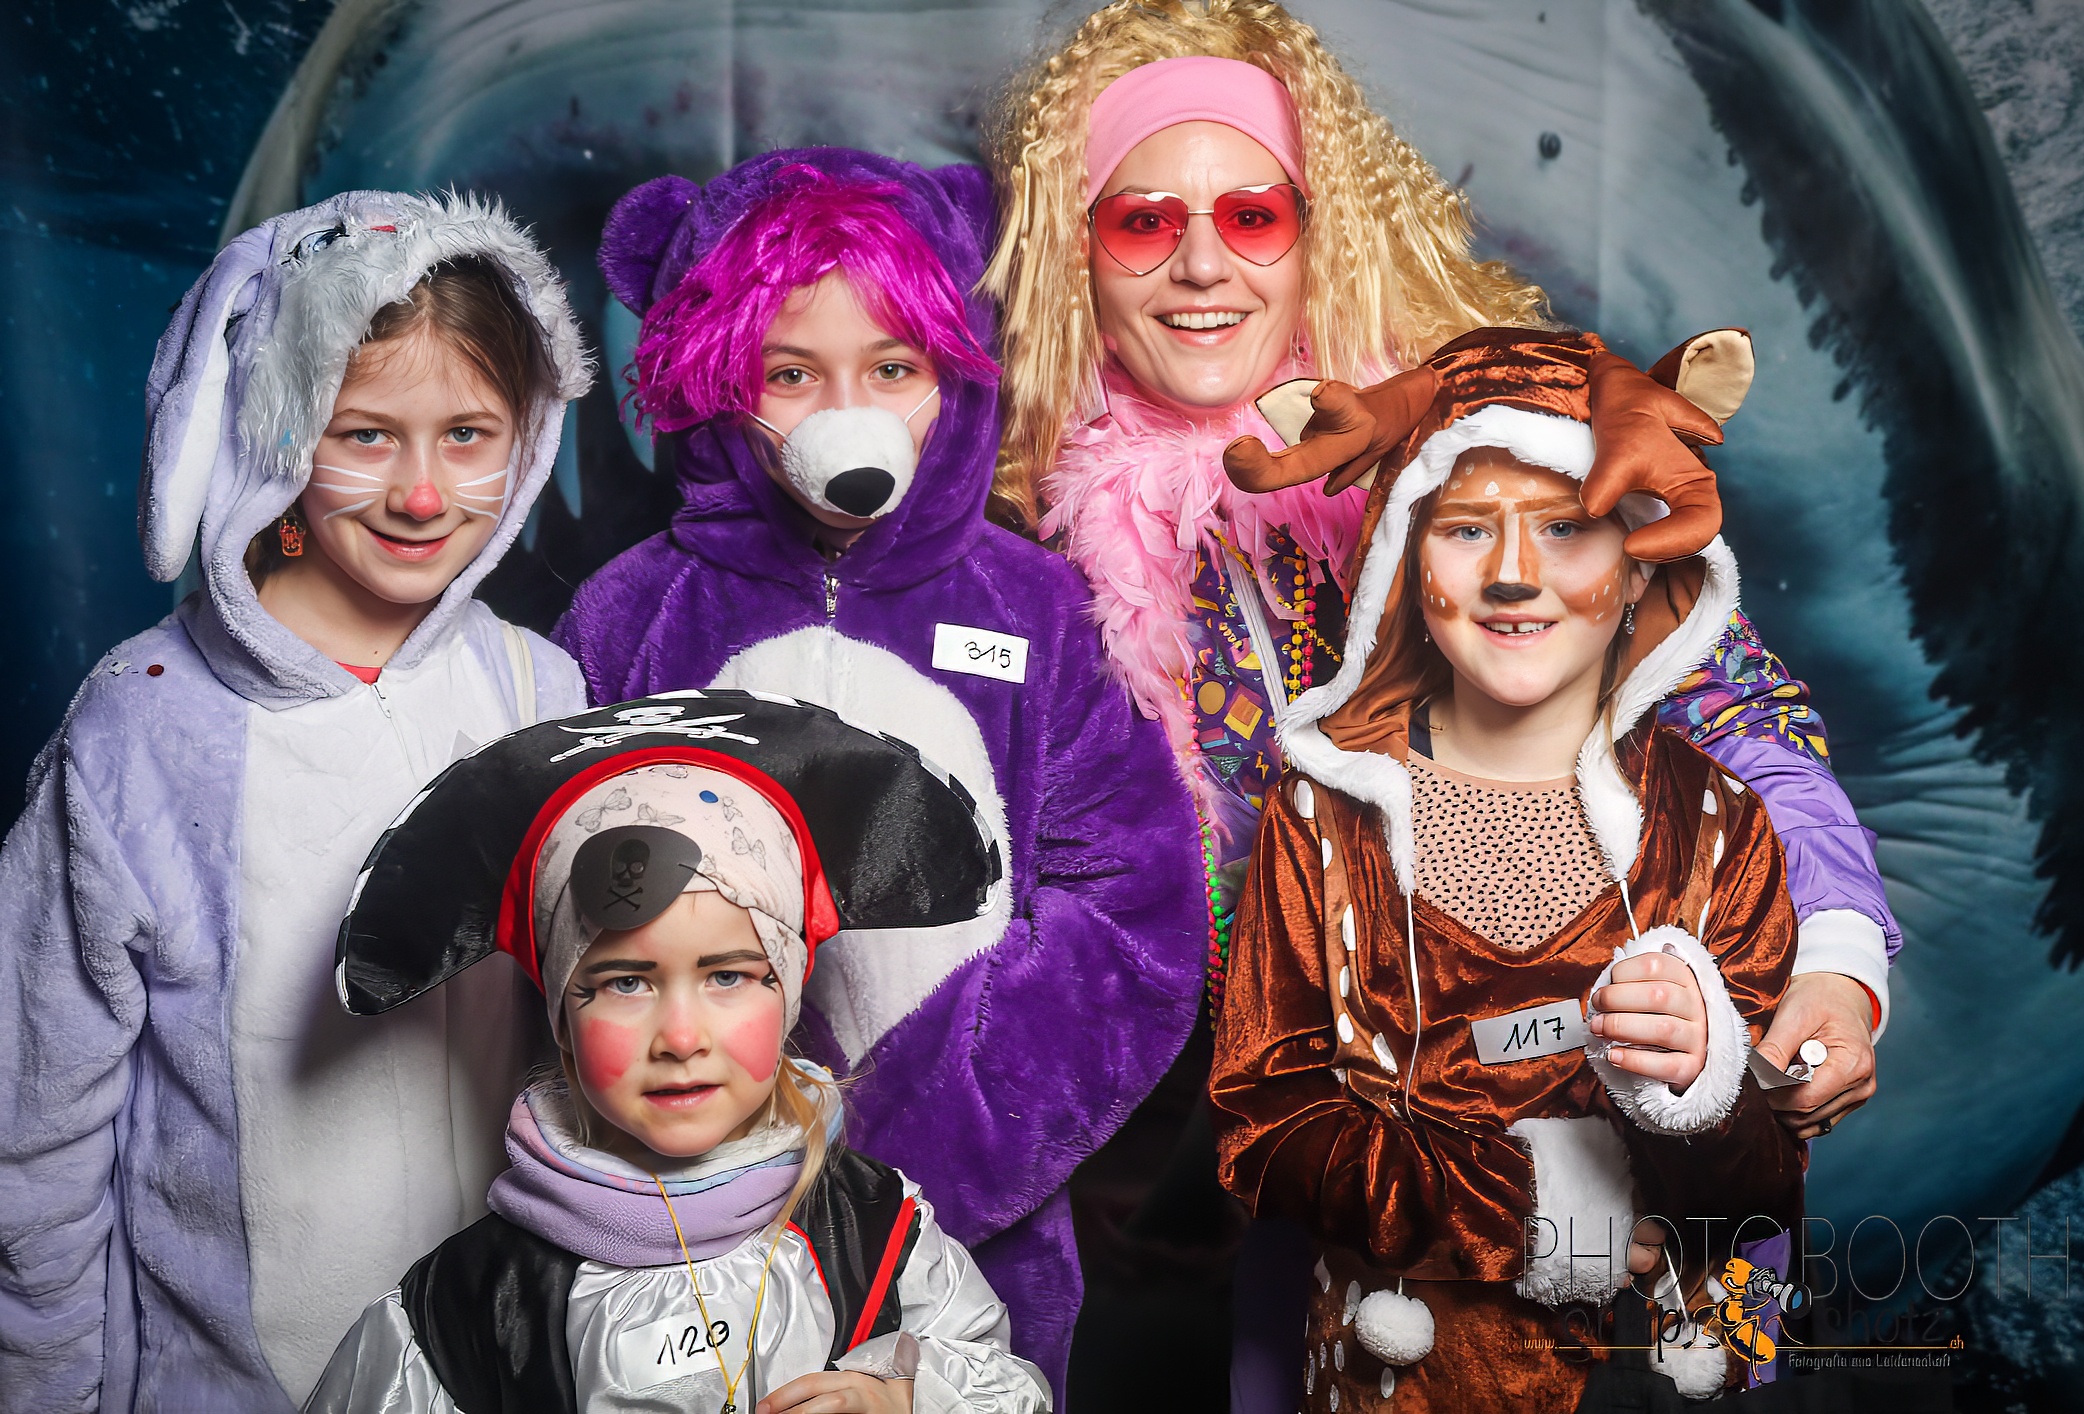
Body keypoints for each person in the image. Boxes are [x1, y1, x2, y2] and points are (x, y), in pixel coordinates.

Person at [979, 3, 1892, 1403]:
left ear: (1316, 228)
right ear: (1074, 249)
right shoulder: (1009, 538)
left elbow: (1736, 708)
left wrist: (1834, 954)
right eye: (1144, 222)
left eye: (1252, 215)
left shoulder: (1477, 452)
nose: (1204, 264)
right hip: (1348, 1213)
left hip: (1640, 1131)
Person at [556, 150, 1203, 1400]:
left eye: (894, 368)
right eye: (790, 373)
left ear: (956, 368)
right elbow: (566, 928)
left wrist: (922, 1137)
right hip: (681, 1235)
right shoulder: (628, 616)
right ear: (711, 378)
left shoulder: (1037, 609)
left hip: (976, 1241)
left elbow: (1134, 911)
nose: (847, 417)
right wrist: (726, 1151)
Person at [0, 192, 591, 1409]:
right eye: (363, 434)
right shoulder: (141, 731)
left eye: (468, 434)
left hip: (504, 1369)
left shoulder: (541, 690)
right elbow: (37, 1125)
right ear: (272, 430)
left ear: (527, 434)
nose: (422, 495)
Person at [1210, 328, 1806, 1412]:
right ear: (1406, 563)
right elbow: (1265, 1125)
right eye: (1466, 528)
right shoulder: (1326, 816)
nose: (1514, 573)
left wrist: (1702, 1086)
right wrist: (1518, 1206)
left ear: (1641, 561)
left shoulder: (1715, 827)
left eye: (1566, 526)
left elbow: (1767, 1187)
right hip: (1395, 1377)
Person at [308, 692, 1051, 1414]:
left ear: (788, 993)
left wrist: (906, 1401)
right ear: (562, 1018)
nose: (682, 1038)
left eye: (727, 976)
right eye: (625, 982)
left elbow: (1001, 1384)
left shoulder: (877, 1229)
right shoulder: (463, 1313)